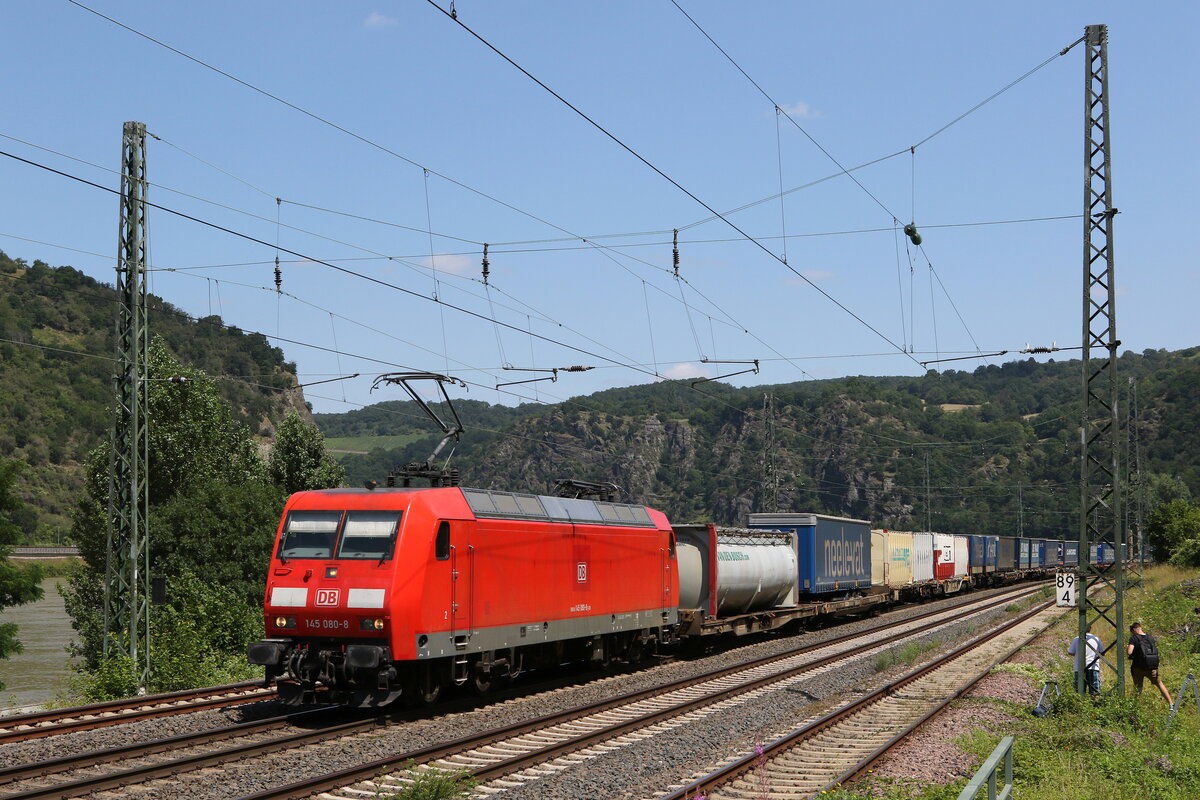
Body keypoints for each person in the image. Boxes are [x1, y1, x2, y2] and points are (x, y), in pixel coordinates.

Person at [1127, 622, 1173, 706]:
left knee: (1138, 688)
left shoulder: (1133, 638)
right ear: (1140, 628)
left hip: (1138, 668)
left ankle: (1135, 708)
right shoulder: (1150, 637)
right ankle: (1171, 704)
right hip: (1152, 667)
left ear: (1133, 630)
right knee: (1159, 684)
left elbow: (1129, 652)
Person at [1068, 627, 1102, 695]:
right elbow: (1102, 652)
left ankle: (1080, 705)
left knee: (1079, 692)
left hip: (1079, 668)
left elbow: (1071, 652)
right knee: (1094, 692)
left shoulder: (1076, 639)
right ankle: (1095, 705)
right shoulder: (1096, 639)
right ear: (1090, 629)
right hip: (1093, 668)